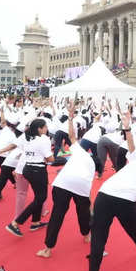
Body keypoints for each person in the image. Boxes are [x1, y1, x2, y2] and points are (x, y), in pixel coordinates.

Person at [79, 111, 136, 271]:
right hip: (126, 200)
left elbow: (131, 145)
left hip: (106, 194)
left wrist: (127, 127)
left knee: (99, 236)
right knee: (135, 231)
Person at [36, 102, 94, 258]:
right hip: (80, 185)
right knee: (83, 212)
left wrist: (70, 117)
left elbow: (72, 135)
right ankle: (87, 234)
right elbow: (88, 191)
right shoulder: (92, 164)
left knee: (57, 214)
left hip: (63, 183)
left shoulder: (78, 151)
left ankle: (48, 249)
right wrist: (89, 204)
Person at [6, 118, 54, 236]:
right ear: (39, 129)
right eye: (45, 127)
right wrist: (58, 159)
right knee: (41, 197)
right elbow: (50, 158)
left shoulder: (27, 137)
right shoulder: (44, 139)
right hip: (37, 170)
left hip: (27, 169)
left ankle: (35, 222)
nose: (47, 129)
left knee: (39, 196)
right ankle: (15, 223)